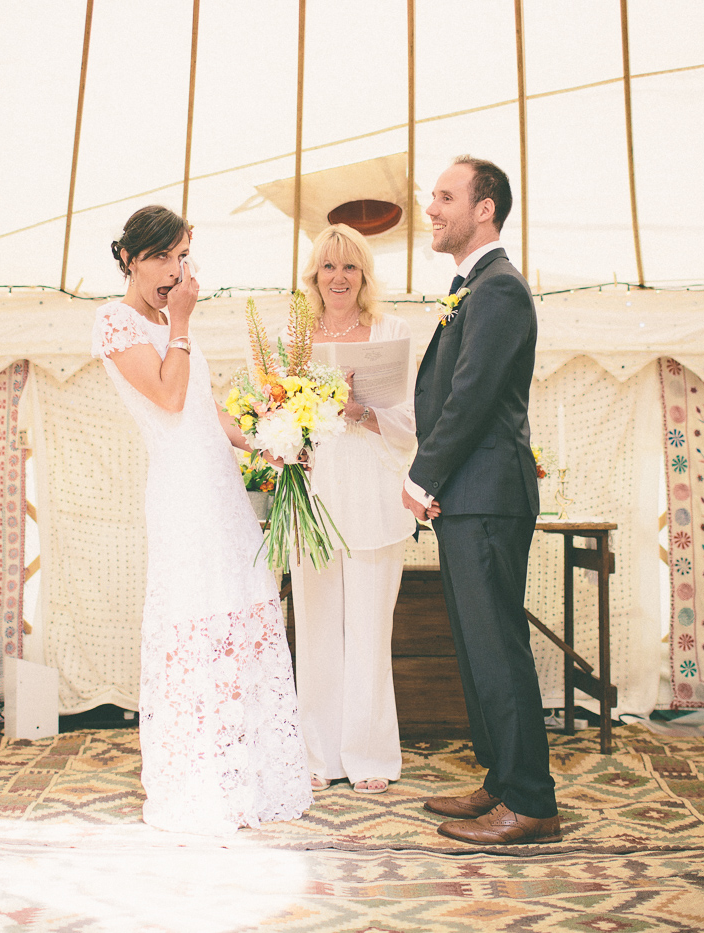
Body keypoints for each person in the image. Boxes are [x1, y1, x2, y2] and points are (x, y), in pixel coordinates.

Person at [90, 204, 310, 834]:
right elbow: (167, 395)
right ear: (130, 256)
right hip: (181, 496)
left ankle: (250, 775)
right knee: (196, 620)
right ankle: (198, 783)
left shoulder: (171, 322)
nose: (173, 270)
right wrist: (181, 324)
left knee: (239, 613)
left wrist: (262, 440)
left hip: (219, 489)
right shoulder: (114, 321)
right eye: (162, 256)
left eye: (182, 256)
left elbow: (204, 412)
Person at [401, 156, 557, 844]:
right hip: (470, 495)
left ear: (484, 208)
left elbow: (469, 399)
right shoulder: (477, 287)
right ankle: (501, 779)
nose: (430, 209)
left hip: (487, 492)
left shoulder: (498, 290)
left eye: (444, 196)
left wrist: (420, 475)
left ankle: (531, 800)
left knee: (497, 647)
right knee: (476, 645)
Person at [293, 224, 416, 795]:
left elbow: (415, 426)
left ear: (364, 276)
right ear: (313, 275)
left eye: (350, 268)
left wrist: (360, 410)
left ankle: (368, 756)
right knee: (317, 629)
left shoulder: (392, 331)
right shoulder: (292, 337)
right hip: (314, 497)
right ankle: (319, 755)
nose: (338, 278)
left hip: (374, 495)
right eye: (328, 266)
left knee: (369, 630)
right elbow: (273, 417)